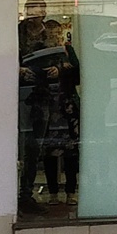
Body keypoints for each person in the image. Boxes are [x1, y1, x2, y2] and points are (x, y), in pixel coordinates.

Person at [18, 0, 55, 213]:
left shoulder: (50, 33)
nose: (34, 16)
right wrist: (19, 70)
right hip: (22, 93)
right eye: (30, 12)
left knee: (36, 146)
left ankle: (27, 193)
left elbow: (64, 59)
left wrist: (58, 68)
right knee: (22, 144)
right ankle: (19, 194)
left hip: (45, 93)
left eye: (38, 12)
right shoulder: (17, 32)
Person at [40, 19, 81, 203]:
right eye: (50, 34)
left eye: (57, 33)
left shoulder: (67, 51)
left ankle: (71, 191)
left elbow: (77, 72)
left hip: (67, 107)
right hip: (48, 107)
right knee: (49, 152)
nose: (54, 37)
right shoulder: (41, 52)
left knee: (71, 152)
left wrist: (62, 67)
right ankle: (53, 193)